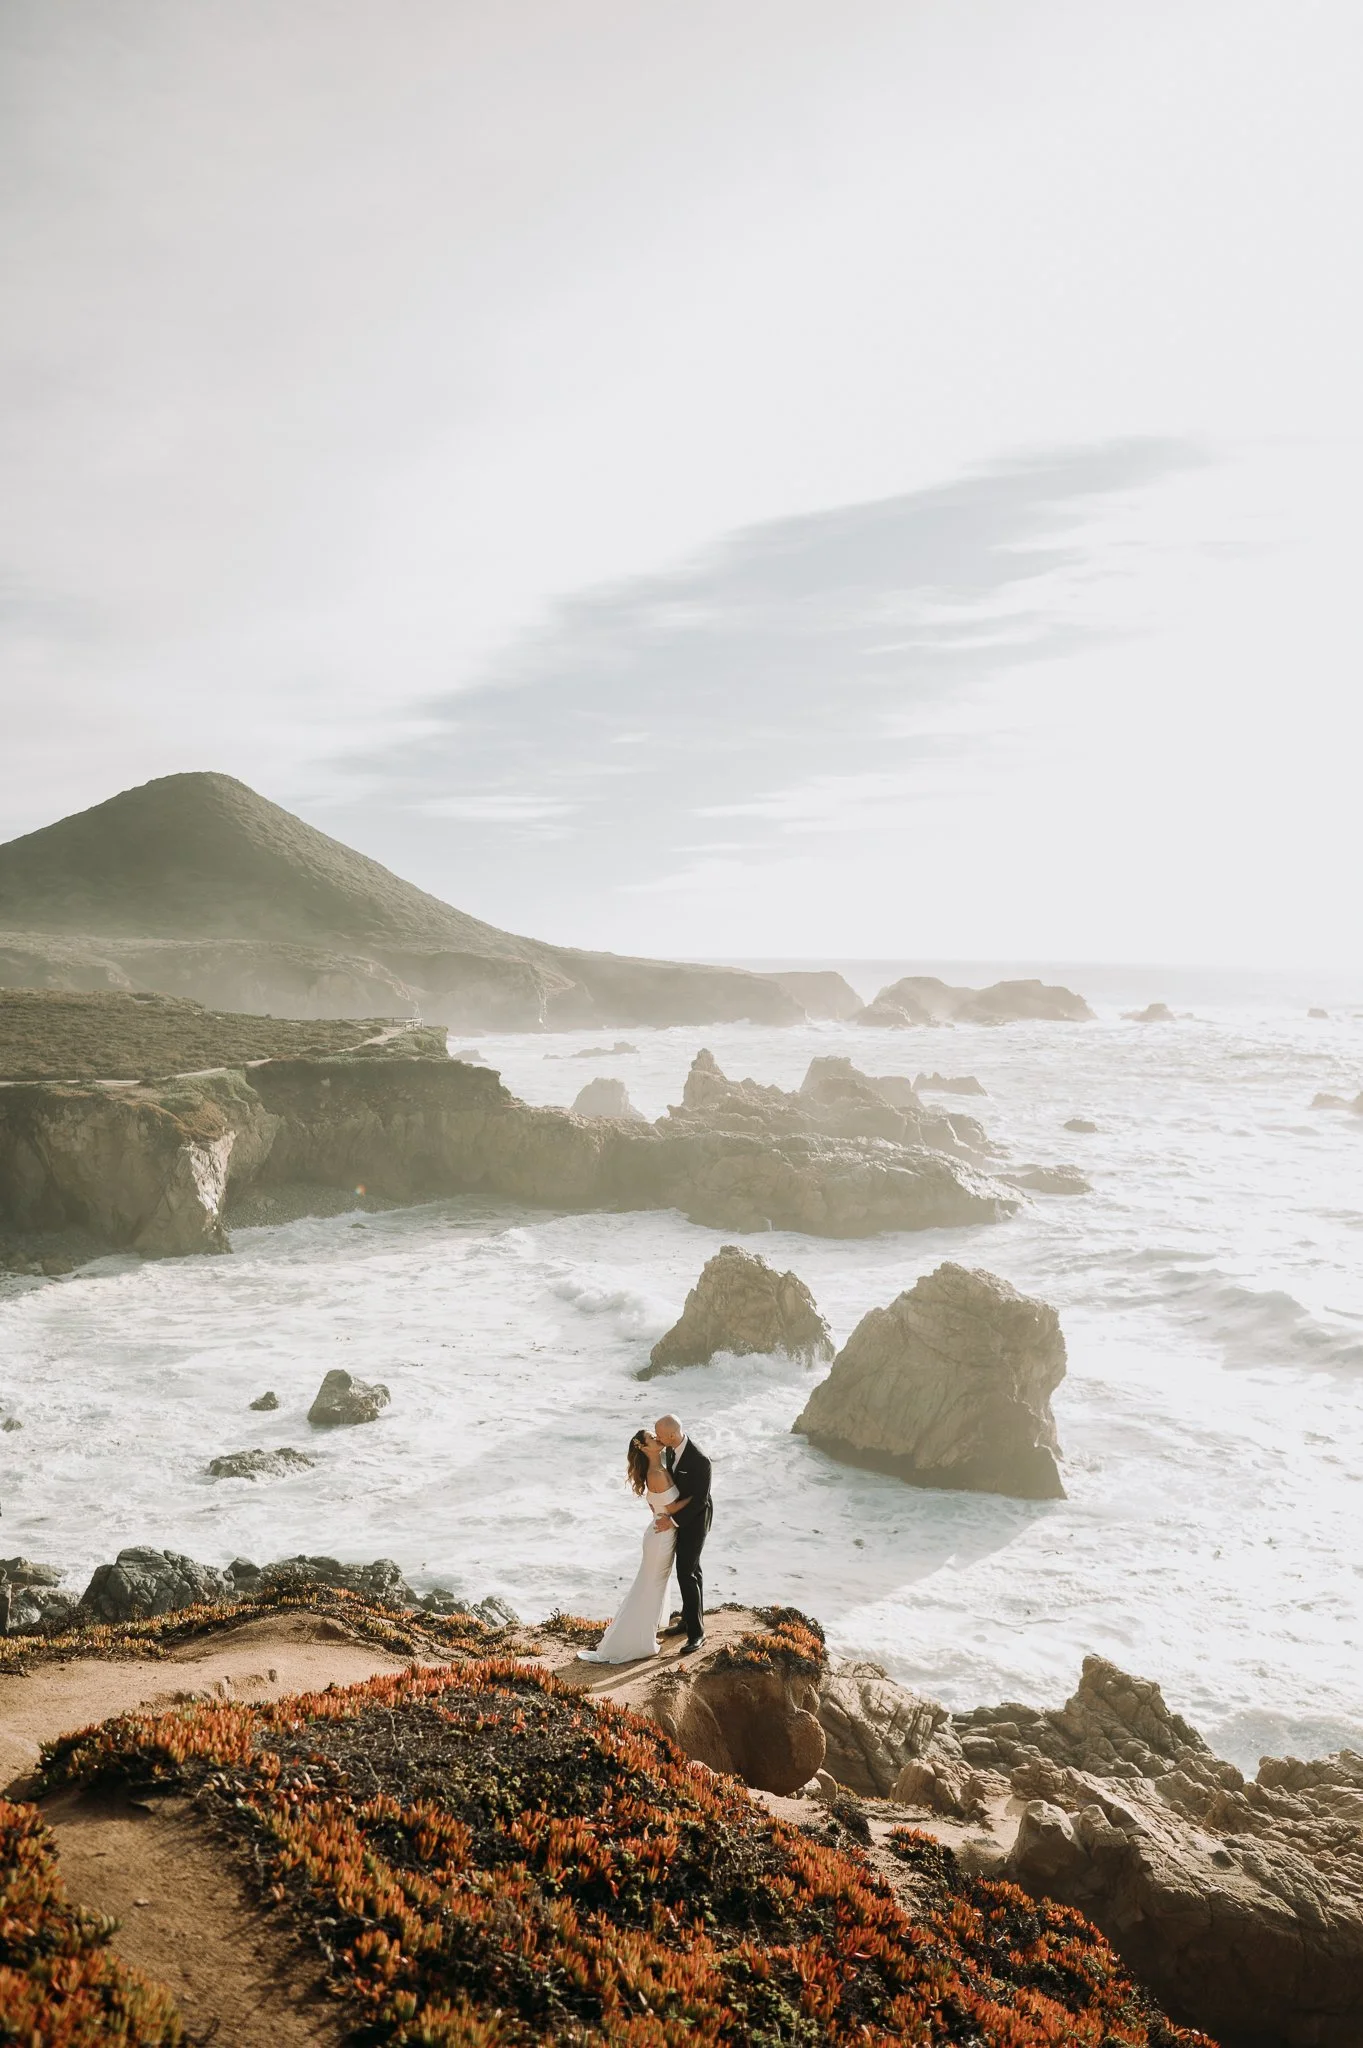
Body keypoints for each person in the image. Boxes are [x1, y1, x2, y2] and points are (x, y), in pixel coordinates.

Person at [577, 1427, 690, 1664]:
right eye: (652, 1438)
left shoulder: (658, 1468)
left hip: (659, 1534)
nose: (658, 1438)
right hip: (661, 1538)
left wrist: (664, 1512)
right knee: (650, 1587)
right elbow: (671, 1509)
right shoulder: (656, 1472)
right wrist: (699, 1497)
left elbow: (656, 1505)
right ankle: (637, 1642)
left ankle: (641, 1635)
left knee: (651, 1586)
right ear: (644, 1447)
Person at [653, 1412, 712, 1653]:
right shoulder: (669, 1450)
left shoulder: (700, 1460)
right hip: (679, 1518)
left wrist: (673, 1520)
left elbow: (700, 1501)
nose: (657, 1438)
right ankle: (688, 1621)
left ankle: (697, 1635)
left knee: (686, 1572)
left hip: (696, 1521)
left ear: (672, 1434)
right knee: (692, 1570)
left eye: (659, 1435)